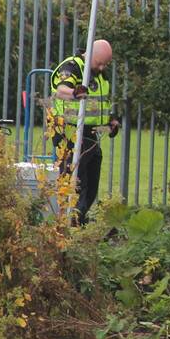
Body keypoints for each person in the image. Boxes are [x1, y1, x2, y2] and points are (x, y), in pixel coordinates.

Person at [48, 39, 119, 224]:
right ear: (90, 55)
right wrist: (73, 93)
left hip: (90, 134)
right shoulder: (73, 67)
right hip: (70, 133)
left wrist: (110, 121)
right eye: (100, 62)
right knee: (76, 183)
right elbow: (60, 90)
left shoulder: (100, 74)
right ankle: (70, 226)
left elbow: (99, 104)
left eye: (106, 63)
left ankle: (80, 222)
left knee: (92, 182)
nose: (103, 67)